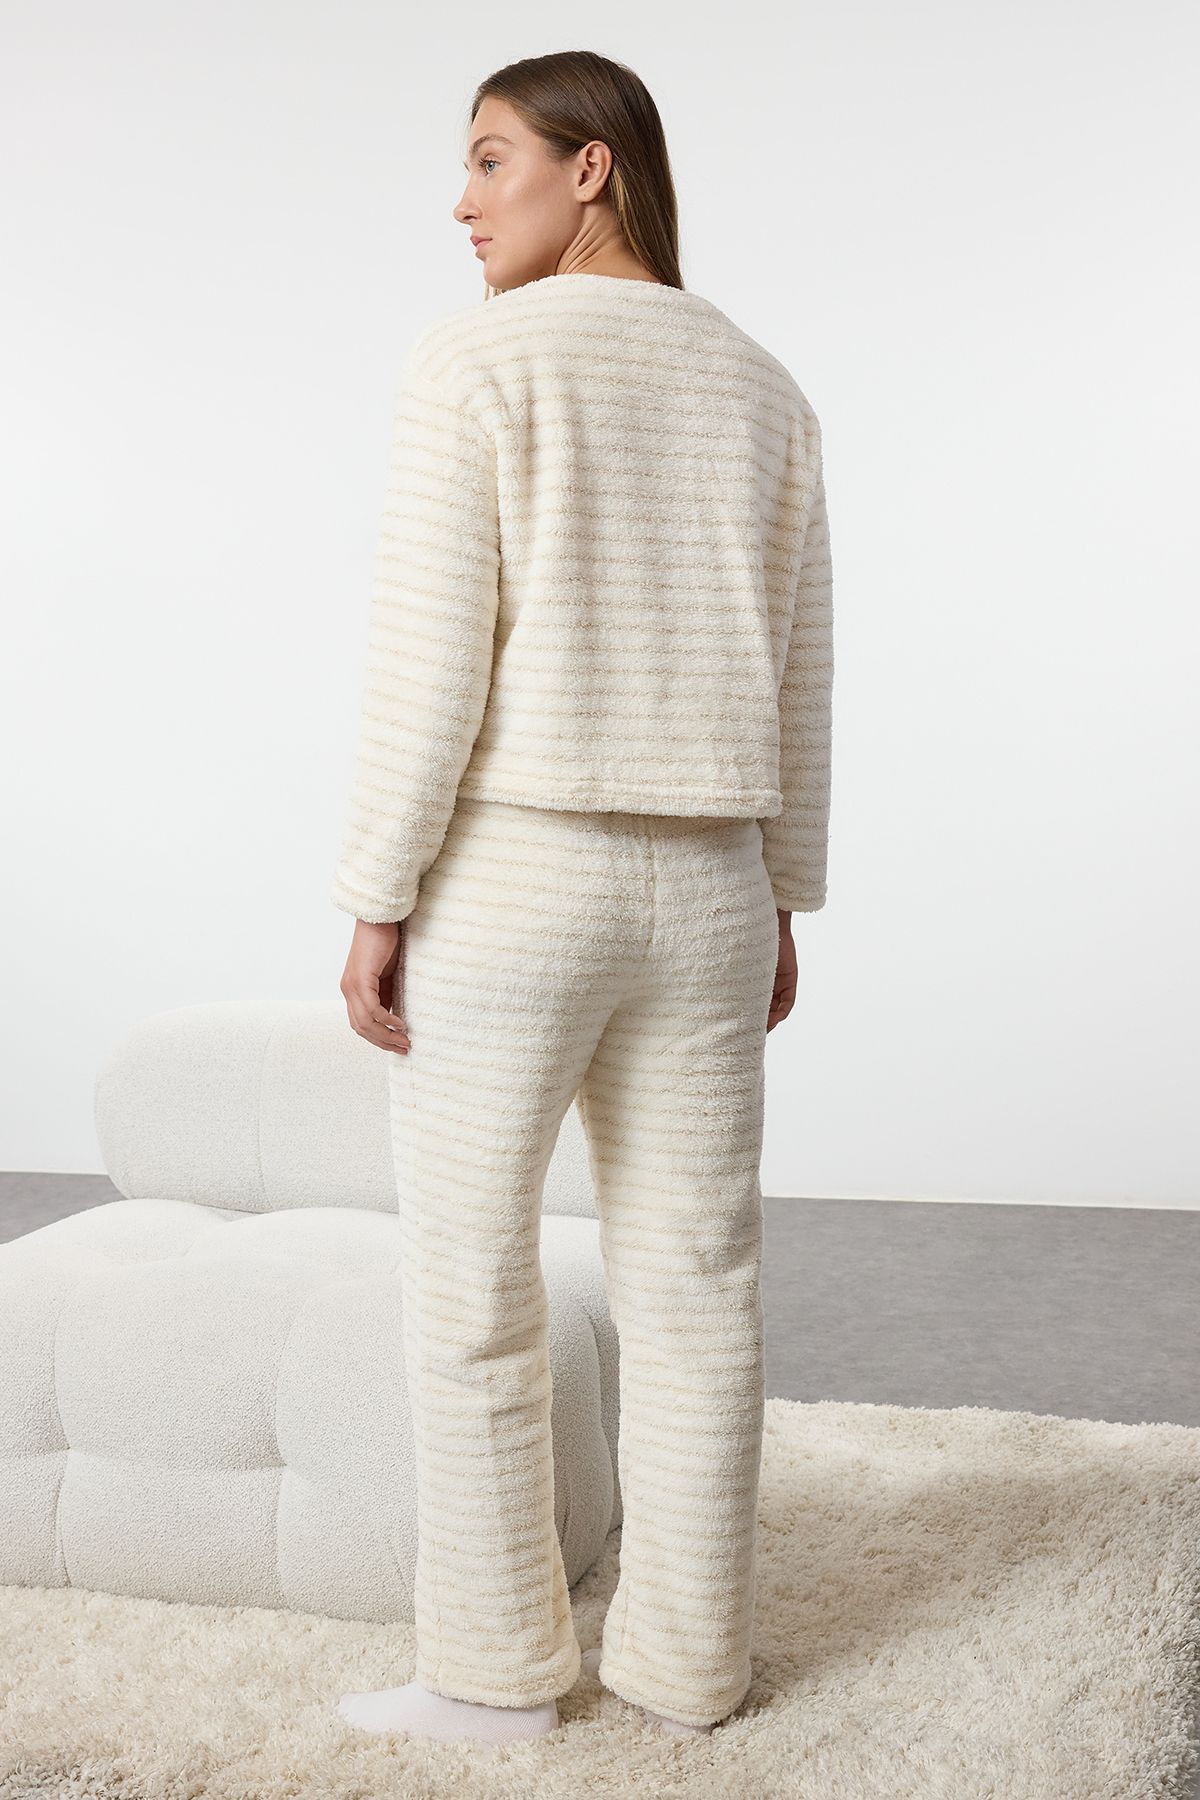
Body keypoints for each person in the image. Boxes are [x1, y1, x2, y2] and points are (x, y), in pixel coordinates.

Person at [330, 49, 834, 1749]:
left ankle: (492, 1677)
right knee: (700, 1289)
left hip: (516, 882)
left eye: (492, 159)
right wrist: (782, 891)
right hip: (708, 888)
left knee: (471, 1290)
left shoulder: (475, 362)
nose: (462, 202)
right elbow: (800, 666)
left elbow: (429, 665)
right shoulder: (763, 384)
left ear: (592, 167)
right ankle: (692, 1676)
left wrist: (377, 894)